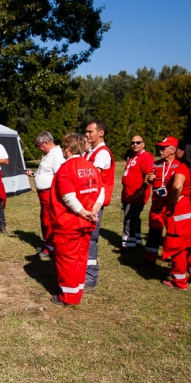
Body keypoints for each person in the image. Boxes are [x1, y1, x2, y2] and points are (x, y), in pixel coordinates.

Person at [49, 133, 103, 306]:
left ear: (69, 149)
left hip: (69, 223)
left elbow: (68, 196)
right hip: (87, 223)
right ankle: (77, 289)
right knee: (81, 258)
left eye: (64, 148)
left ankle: (69, 296)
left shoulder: (66, 168)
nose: (63, 151)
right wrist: (94, 209)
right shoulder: (91, 167)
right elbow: (101, 190)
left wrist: (82, 211)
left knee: (67, 260)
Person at [161, 141, 191, 289]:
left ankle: (179, 281)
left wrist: (173, 199)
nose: (176, 152)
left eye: (178, 150)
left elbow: (177, 185)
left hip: (181, 213)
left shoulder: (182, 167)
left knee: (178, 248)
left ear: (183, 151)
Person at [83, 119, 114, 291]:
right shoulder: (92, 151)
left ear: (100, 133)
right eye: (86, 132)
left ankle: (90, 277)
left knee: (90, 239)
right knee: (86, 238)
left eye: (90, 132)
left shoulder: (102, 153)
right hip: (88, 201)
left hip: (94, 202)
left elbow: (92, 177)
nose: (87, 135)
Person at [25, 131, 65, 259]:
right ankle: (48, 244)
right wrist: (35, 174)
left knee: (49, 220)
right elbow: (48, 173)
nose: (38, 148)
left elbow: (59, 176)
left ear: (46, 143)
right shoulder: (48, 155)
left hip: (50, 193)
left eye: (39, 145)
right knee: (45, 219)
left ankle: (51, 247)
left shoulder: (56, 155)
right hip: (44, 193)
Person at [141, 137, 181, 266]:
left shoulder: (180, 166)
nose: (160, 150)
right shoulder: (157, 164)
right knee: (154, 231)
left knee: (173, 234)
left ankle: (173, 258)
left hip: (172, 206)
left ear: (173, 150)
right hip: (157, 204)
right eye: (160, 148)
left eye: (163, 148)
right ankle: (149, 258)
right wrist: (149, 180)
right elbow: (147, 182)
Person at [120, 135, 154, 251]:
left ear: (143, 144)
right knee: (134, 218)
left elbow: (148, 176)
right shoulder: (133, 157)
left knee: (129, 218)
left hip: (136, 195)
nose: (135, 144)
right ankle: (136, 240)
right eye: (133, 142)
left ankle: (128, 244)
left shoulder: (146, 157)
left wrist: (141, 191)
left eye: (138, 142)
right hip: (127, 194)